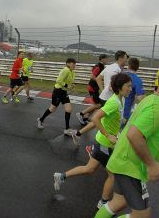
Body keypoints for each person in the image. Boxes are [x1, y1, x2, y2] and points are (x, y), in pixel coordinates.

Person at [71, 68, 159, 218]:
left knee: (118, 202)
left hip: (123, 161)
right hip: (131, 167)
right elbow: (134, 135)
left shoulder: (151, 100)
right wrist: (151, 164)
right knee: (141, 217)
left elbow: (140, 129)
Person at [54, 73, 133, 209]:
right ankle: (103, 202)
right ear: (120, 88)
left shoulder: (122, 100)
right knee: (112, 175)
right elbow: (95, 118)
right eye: (128, 86)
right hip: (105, 144)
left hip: (102, 142)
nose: (130, 89)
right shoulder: (114, 102)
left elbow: (114, 119)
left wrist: (122, 124)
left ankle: (61, 176)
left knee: (89, 169)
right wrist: (109, 135)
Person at [37, 58, 76, 137]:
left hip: (64, 92)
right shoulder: (65, 70)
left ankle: (67, 129)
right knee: (52, 109)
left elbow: (68, 81)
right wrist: (67, 85)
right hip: (58, 91)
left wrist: (71, 85)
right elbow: (58, 80)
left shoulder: (72, 71)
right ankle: (40, 120)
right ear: (68, 63)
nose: (75, 65)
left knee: (69, 109)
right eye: (73, 63)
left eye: (75, 64)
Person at [77, 54, 109, 125]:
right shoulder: (98, 66)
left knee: (96, 104)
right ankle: (81, 114)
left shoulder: (102, 66)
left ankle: (85, 117)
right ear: (102, 59)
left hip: (95, 87)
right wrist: (99, 81)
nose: (107, 60)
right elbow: (92, 76)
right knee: (98, 104)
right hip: (92, 87)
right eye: (106, 59)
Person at [123, 57, 146, 123]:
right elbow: (141, 98)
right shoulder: (137, 80)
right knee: (122, 130)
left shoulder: (120, 74)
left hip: (113, 105)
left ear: (128, 65)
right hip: (125, 110)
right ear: (138, 67)